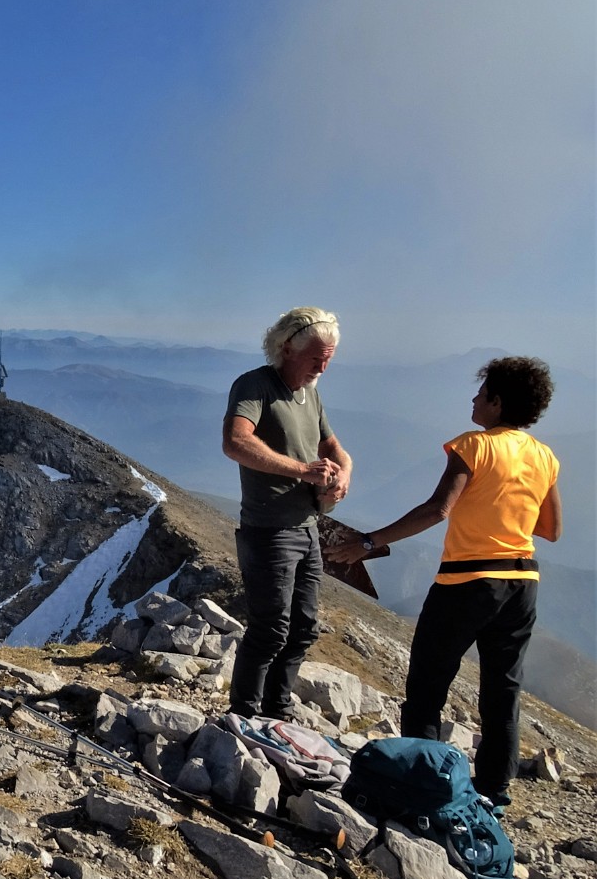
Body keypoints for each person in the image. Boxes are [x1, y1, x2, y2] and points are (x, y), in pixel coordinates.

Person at [325, 357, 560, 812]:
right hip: (522, 581)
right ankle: (494, 790)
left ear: (497, 402)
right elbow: (550, 529)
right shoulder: (544, 456)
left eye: (482, 393)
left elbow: (438, 509)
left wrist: (369, 542)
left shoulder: (473, 446)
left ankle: (422, 780)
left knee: (429, 681)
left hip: (468, 580)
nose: (473, 399)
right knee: (503, 687)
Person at [222, 307, 352, 720]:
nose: (324, 366)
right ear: (285, 347)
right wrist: (302, 470)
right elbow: (235, 442)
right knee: (270, 628)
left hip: (308, 526)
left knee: (303, 628)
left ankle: (277, 710)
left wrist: (343, 472)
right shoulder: (255, 386)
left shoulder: (309, 392)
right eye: (317, 357)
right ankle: (243, 714)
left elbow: (332, 447)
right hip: (269, 530)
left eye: (329, 357)